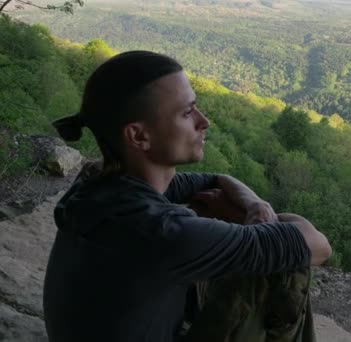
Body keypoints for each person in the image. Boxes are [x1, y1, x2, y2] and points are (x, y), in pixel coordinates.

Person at [44, 50, 332, 342]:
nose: (203, 120)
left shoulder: (97, 181)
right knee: (287, 267)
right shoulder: (164, 232)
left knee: (232, 226)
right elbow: (318, 247)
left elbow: (215, 179)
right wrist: (265, 220)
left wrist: (255, 206)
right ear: (138, 136)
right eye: (187, 112)